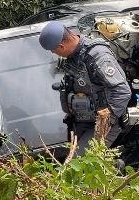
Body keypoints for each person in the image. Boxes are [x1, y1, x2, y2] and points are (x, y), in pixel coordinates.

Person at [38, 21, 131, 154]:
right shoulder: (73, 56)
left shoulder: (97, 55)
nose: (53, 52)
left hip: (103, 122)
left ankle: (117, 164)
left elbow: (122, 91)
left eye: (54, 50)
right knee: (75, 157)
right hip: (83, 120)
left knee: (81, 163)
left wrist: (105, 121)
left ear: (61, 46)